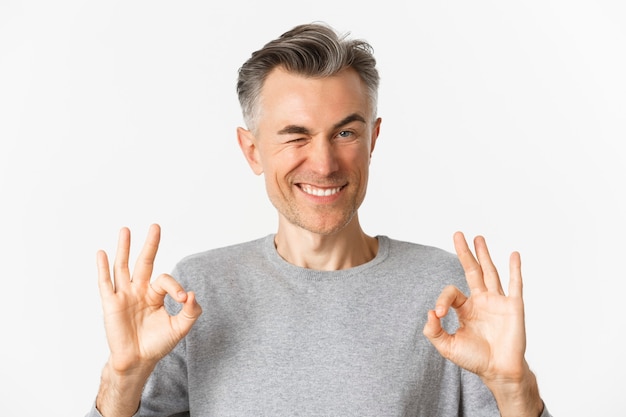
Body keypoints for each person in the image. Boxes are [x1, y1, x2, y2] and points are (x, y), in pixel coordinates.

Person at [86, 23, 551, 417]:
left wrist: (515, 388)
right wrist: (122, 379)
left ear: (373, 139)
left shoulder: (449, 292)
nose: (324, 164)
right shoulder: (195, 291)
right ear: (252, 150)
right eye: (296, 136)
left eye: (345, 132)